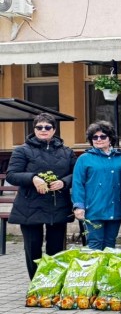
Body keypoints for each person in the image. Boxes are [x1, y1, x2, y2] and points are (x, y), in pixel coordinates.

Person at [6, 114, 76, 278]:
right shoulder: (22, 150)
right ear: (34, 129)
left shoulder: (67, 152)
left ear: (54, 130)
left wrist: (64, 182)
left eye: (47, 127)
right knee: (33, 248)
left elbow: (77, 174)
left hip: (57, 204)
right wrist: (33, 178)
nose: (43, 130)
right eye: (39, 127)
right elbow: (12, 175)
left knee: (56, 249)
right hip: (29, 206)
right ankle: (36, 284)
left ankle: (53, 284)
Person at [72, 121, 121, 250]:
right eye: (95, 137)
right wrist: (78, 206)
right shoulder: (84, 158)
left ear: (111, 138)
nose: (99, 139)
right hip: (94, 209)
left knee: (110, 245)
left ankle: (107, 270)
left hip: (115, 208)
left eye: (103, 136)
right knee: (95, 245)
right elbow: (78, 183)